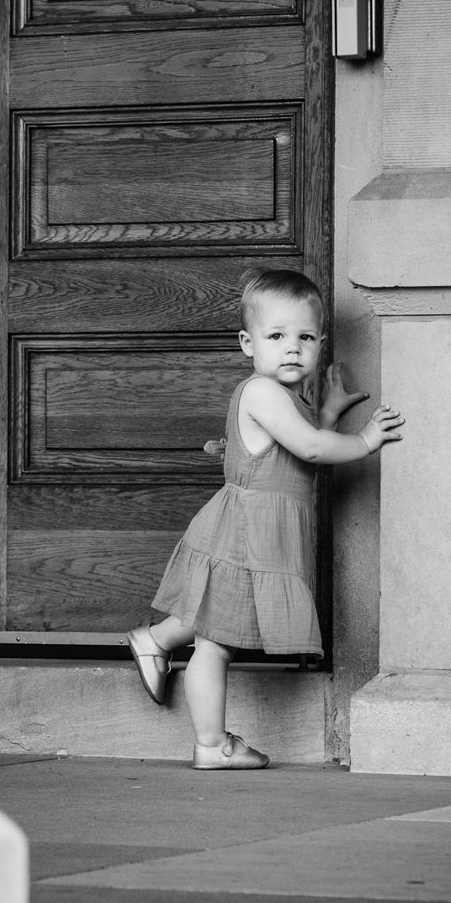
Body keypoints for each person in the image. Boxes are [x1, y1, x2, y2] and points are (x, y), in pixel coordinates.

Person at [127, 267, 404, 770]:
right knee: (216, 643)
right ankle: (211, 745)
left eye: (304, 338)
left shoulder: (285, 397)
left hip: (257, 531)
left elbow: (297, 447)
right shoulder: (261, 392)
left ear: (320, 342)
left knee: (217, 620)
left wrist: (329, 412)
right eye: (276, 337)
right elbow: (312, 451)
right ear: (247, 344)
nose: (292, 348)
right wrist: (363, 441)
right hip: (244, 532)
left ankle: (157, 638)